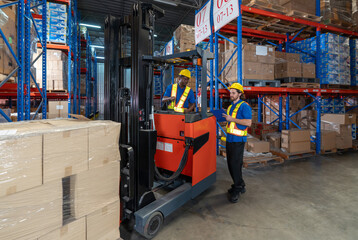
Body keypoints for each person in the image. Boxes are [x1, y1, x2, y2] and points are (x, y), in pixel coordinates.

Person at [222, 83, 252, 203]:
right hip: (230, 139)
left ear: (240, 94)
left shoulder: (244, 106)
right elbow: (231, 122)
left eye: (234, 93)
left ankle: (238, 188)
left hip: (238, 140)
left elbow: (248, 123)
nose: (231, 95)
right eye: (230, 92)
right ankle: (240, 184)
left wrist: (232, 119)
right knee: (230, 164)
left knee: (235, 165)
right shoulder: (230, 107)